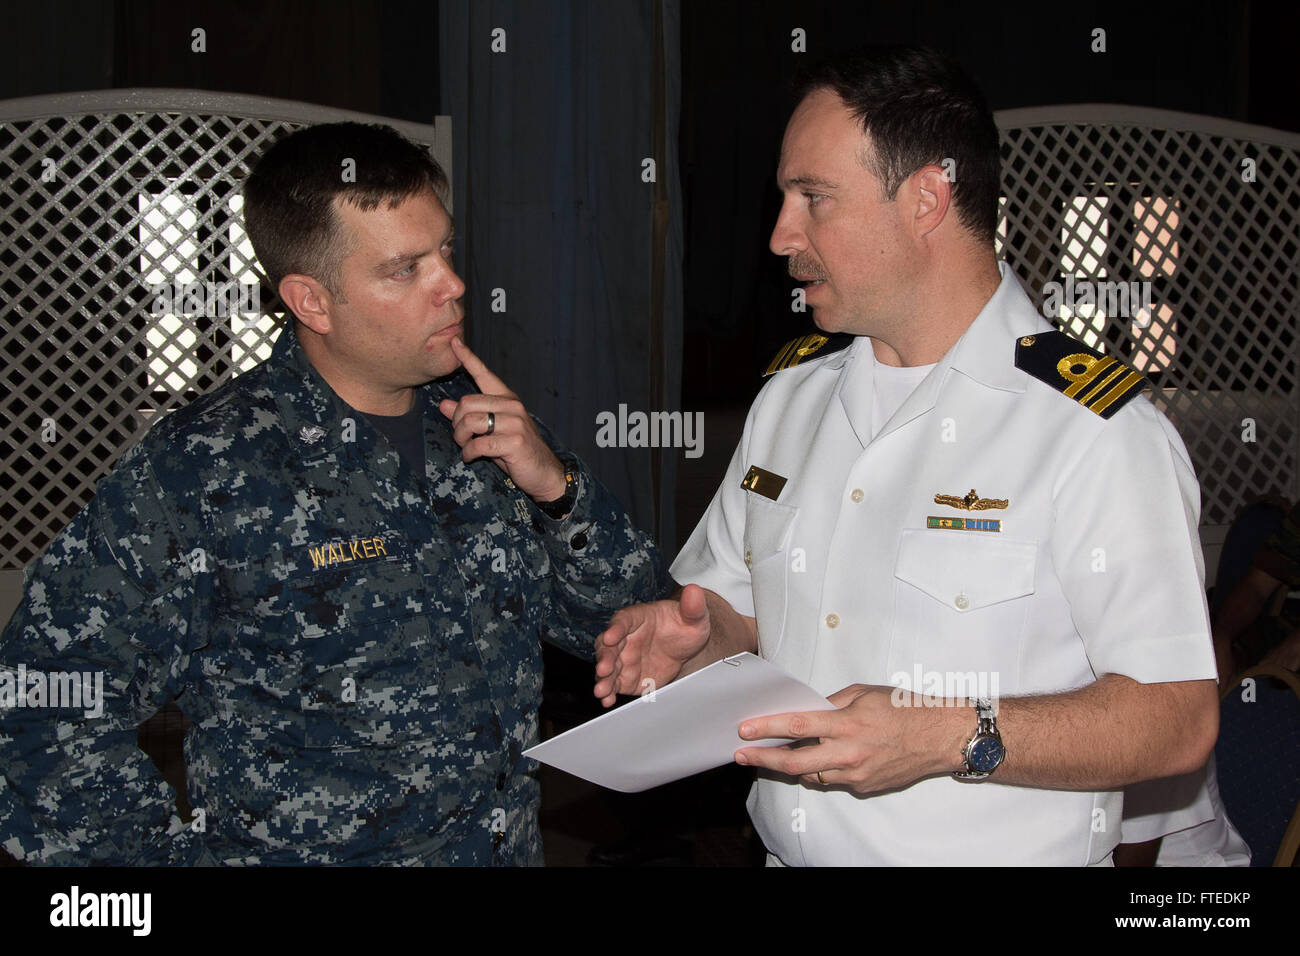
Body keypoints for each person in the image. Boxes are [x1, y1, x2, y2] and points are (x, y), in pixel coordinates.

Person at [594, 46, 1218, 866]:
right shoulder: (790, 402)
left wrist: (950, 736)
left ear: (927, 198)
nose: (782, 234)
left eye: (813, 198)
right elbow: (740, 612)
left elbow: (1177, 717)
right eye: (784, 196)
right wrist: (696, 642)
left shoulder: (1093, 429)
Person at [0, 122, 667, 865]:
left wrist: (557, 489)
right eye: (404, 269)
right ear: (311, 302)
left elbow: (631, 628)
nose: (453, 286)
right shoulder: (201, 471)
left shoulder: (483, 426)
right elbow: (39, 708)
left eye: (444, 250)